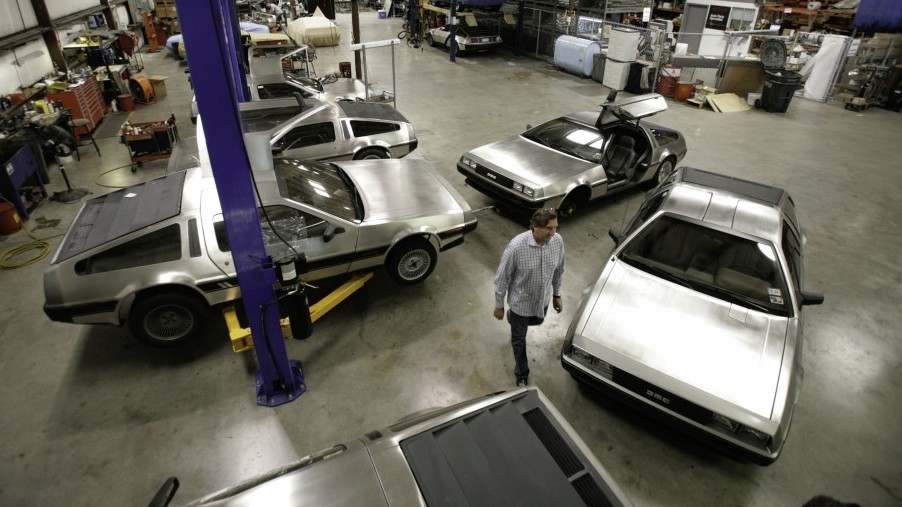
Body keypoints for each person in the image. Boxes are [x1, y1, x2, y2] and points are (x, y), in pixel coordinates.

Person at [493, 208, 565, 387]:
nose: (553, 232)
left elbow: (559, 270)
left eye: (555, 228)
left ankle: (513, 320)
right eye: (549, 228)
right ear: (535, 226)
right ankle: (522, 373)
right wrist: (499, 305)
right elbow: (502, 278)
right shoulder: (516, 247)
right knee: (519, 339)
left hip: (543, 301)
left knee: (538, 322)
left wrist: (557, 294)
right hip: (521, 304)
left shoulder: (557, 241)